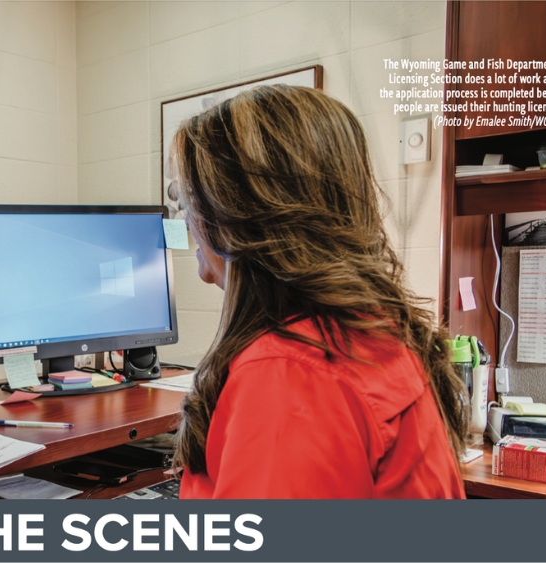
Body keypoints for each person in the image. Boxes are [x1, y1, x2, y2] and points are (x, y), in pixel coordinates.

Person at [171, 85, 467, 499]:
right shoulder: (362, 334)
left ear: (237, 217)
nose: (185, 216)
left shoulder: (292, 373)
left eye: (189, 198)